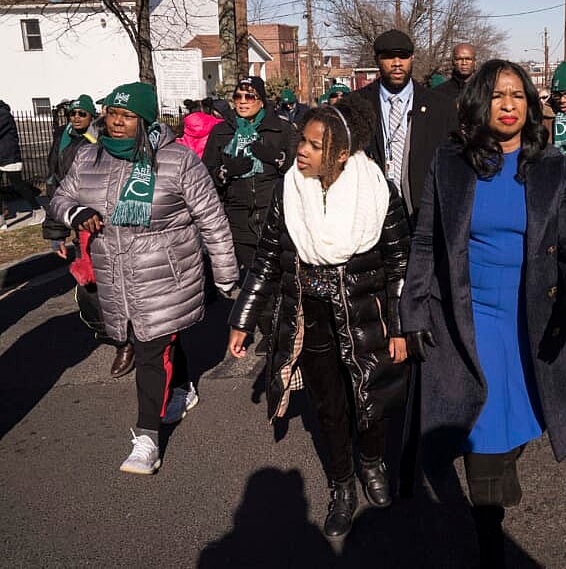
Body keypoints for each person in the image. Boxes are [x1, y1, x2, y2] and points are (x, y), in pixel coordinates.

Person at [400, 60, 566, 566]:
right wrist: (414, 310)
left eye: (517, 95)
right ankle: (489, 533)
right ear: (478, 104)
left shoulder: (553, 165)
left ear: (530, 104)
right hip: (469, 317)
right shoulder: (450, 163)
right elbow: (425, 240)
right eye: (496, 96)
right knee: (483, 427)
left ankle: (497, 475)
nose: (508, 105)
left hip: (532, 316)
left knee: (525, 416)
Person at [228, 102, 410, 536]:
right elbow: (268, 257)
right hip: (310, 316)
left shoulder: (378, 191)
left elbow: (402, 263)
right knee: (329, 405)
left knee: (371, 396)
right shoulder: (289, 190)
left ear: (342, 153)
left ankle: (371, 461)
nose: (302, 152)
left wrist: (401, 327)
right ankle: (343, 482)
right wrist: (242, 318)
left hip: (368, 312)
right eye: (301, 142)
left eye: (314, 145)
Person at [49, 82, 238, 474]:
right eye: (112, 115)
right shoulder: (88, 158)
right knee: (156, 337)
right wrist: (76, 213)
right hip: (114, 274)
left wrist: (225, 274)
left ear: (146, 119)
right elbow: (59, 198)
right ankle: (183, 387)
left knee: (151, 347)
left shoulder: (177, 160)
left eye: (127, 116)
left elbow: (212, 220)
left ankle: (146, 440)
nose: (116, 123)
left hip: (167, 273)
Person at [42, 95, 134, 377]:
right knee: (93, 293)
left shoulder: (117, 143)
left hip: (126, 232)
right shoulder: (69, 143)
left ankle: (141, 339)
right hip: (87, 232)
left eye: (82, 112)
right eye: (72, 113)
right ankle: (123, 341)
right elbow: (58, 186)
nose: (76, 117)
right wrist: (57, 231)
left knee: (132, 290)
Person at [348, 29, 458, 220]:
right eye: (389, 57)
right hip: (372, 215)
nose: (397, 63)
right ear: (376, 60)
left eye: (403, 57)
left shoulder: (441, 107)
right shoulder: (355, 105)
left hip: (425, 215)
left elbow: (453, 165)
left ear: (412, 58)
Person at [202, 76, 294, 273]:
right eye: (238, 96)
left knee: (277, 280)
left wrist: (278, 158)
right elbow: (205, 173)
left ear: (261, 101)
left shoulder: (281, 129)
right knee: (249, 281)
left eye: (249, 97)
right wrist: (224, 173)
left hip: (276, 217)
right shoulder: (221, 131)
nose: (242, 101)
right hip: (238, 219)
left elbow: (300, 170)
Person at [0, 99, 45, 230]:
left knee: (18, 185)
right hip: (1, 156)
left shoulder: (3, 113)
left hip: (10, 156)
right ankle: (1, 220)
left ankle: (38, 211)